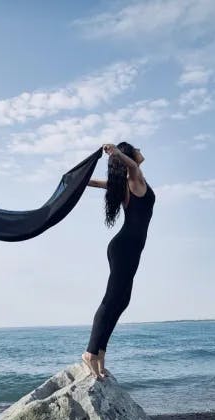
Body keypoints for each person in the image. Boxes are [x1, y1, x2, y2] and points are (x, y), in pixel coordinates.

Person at [81, 142, 155, 380]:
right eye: (137, 148)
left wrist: (84, 181)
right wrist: (117, 152)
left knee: (123, 300)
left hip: (130, 249)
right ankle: (89, 353)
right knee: (111, 299)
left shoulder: (127, 182)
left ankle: (101, 351)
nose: (142, 151)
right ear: (130, 155)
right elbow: (131, 165)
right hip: (124, 248)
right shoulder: (135, 178)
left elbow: (99, 183)